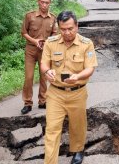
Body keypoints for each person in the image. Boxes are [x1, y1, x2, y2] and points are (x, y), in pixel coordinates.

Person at [40, 11, 98, 164]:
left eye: (70, 28)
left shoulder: (87, 44)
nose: (66, 32)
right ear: (59, 28)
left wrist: (78, 76)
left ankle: (78, 150)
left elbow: (90, 68)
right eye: (63, 29)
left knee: (77, 126)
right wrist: (47, 71)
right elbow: (44, 63)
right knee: (52, 129)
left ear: (77, 26)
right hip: (55, 93)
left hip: (77, 92)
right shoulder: (50, 42)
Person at [20, 0, 58, 114]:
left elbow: (54, 33)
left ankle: (42, 101)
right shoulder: (30, 16)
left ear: (50, 3)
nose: (44, 5)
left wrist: (47, 42)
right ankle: (27, 103)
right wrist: (34, 41)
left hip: (45, 51)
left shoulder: (52, 17)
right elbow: (24, 32)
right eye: (42, 2)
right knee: (29, 77)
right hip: (31, 50)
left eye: (47, 3)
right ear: (38, 1)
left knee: (44, 77)